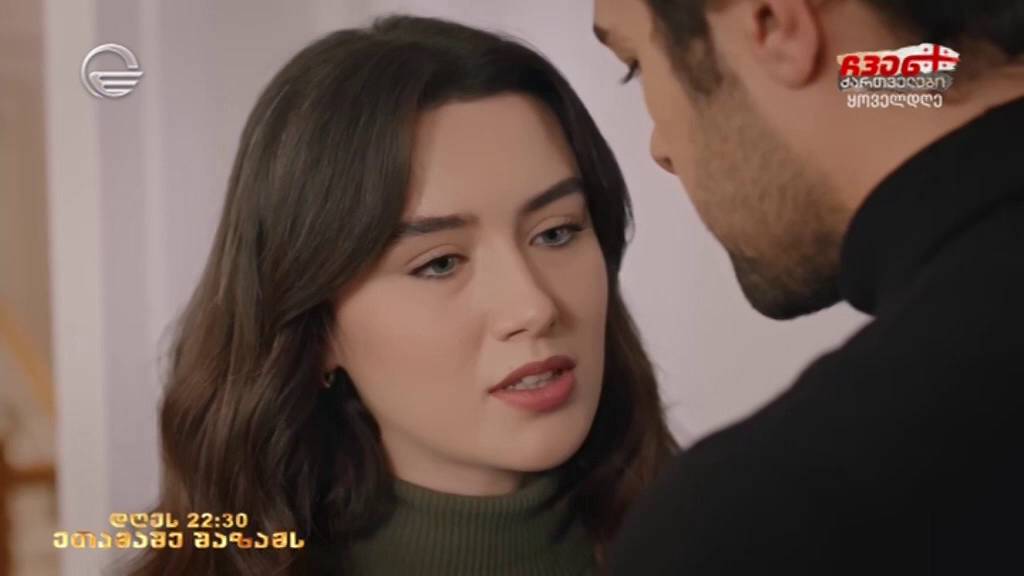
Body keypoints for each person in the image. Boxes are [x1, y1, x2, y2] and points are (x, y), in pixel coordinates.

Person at [122, 15, 678, 576]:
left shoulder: (714, 537)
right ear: (317, 328)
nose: (534, 307)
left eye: (555, 233)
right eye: (440, 263)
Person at [590, 0, 1024, 573]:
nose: (660, 149)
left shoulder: (752, 531)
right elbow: (914, 73)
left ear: (772, 21)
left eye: (636, 64)